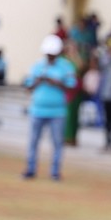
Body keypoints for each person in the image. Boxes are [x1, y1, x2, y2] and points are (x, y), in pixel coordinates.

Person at [21, 34, 76, 180]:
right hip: (37, 110)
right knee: (33, 141)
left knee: (57, 143)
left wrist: (56, 82)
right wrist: (38, 81)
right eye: (48, 54)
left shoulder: (65, 66)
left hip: (57, 111)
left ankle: (55, 172)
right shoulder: (37, 66)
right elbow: (28, 87)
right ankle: (30, 169)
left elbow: (72, 86)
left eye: (52, 54)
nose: (50, 57)